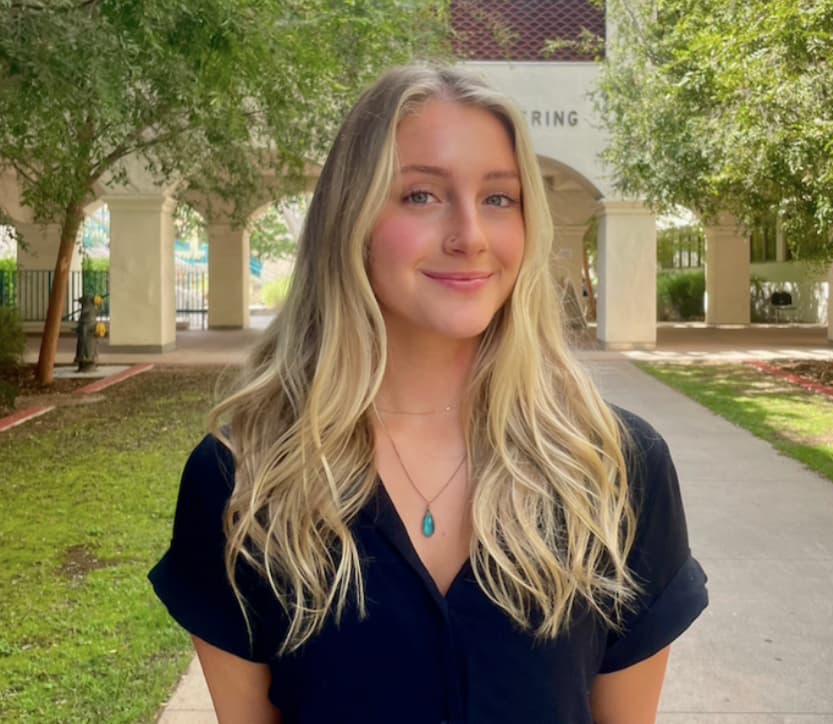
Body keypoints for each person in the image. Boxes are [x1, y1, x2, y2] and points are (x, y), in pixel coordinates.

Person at [149, 65, 708, 724]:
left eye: (499, 199)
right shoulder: (242, 478)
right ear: (349, 219)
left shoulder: (615, 466)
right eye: (421, 195)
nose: (469, 234)